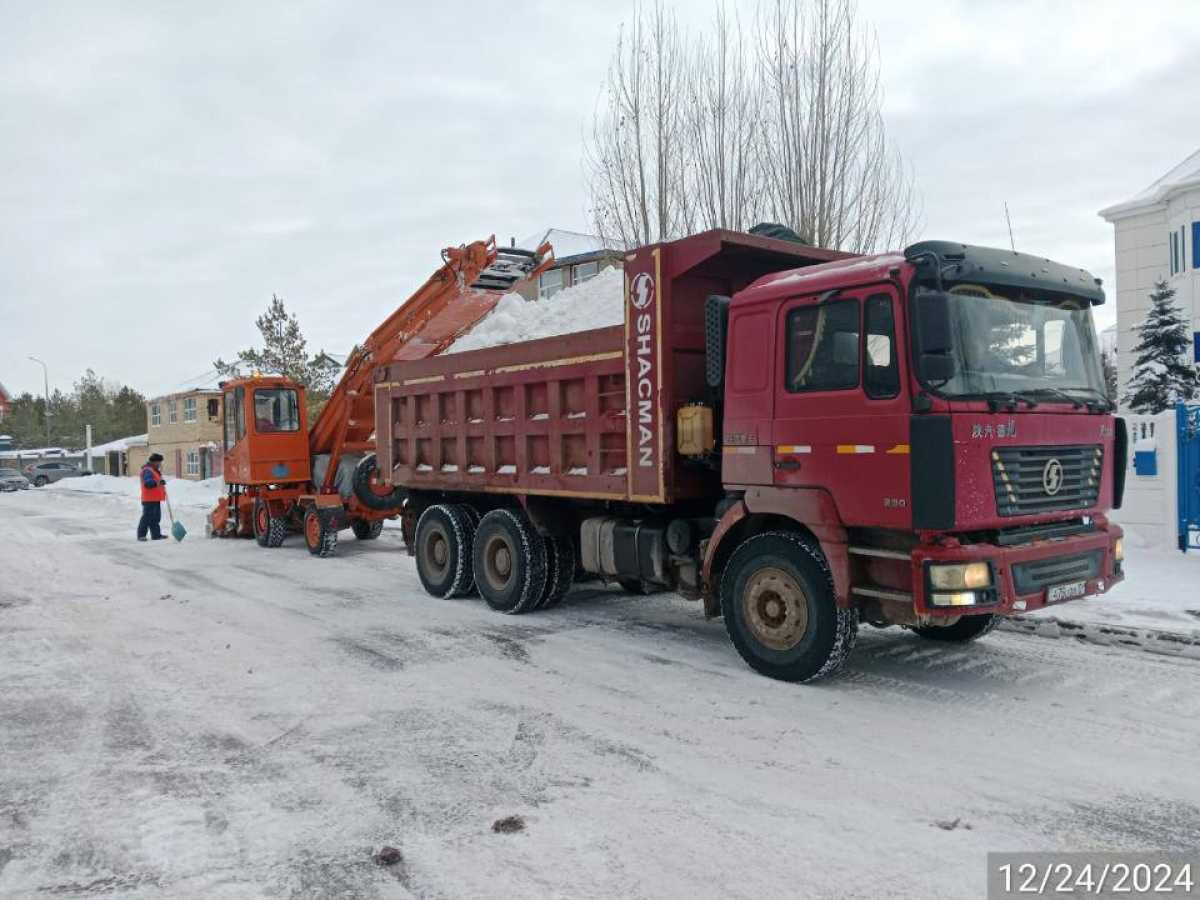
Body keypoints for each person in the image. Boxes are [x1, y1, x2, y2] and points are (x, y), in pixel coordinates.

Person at [138, 453, 168, 541]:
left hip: (155, 498)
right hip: (149, 499)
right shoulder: (147, 470)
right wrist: (158, 483)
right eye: (159, 462)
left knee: (155, 518)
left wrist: (160, 482)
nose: (160, 464)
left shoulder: (154, 470)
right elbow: (148, 483)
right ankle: (141, 535)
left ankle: (156, 535)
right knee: (146, 518)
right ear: (154, 462)